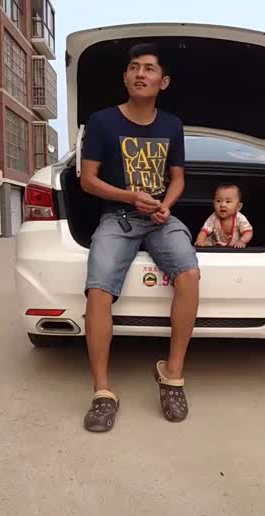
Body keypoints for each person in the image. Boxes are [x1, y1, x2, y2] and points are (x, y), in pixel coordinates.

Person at [80, 43, 200, 432]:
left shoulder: (172, 125)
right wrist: (130, 197)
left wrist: (165, 204)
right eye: (133, 67)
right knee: (98, 288)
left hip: (160, 219)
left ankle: (172, 375)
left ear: (163, 82)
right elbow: (88, 180)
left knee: (189, 273)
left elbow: (178, 178)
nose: (140, 74)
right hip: (118, 218)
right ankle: (102, 391)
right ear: (125, 77)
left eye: (149, 68)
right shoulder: (102, 121)